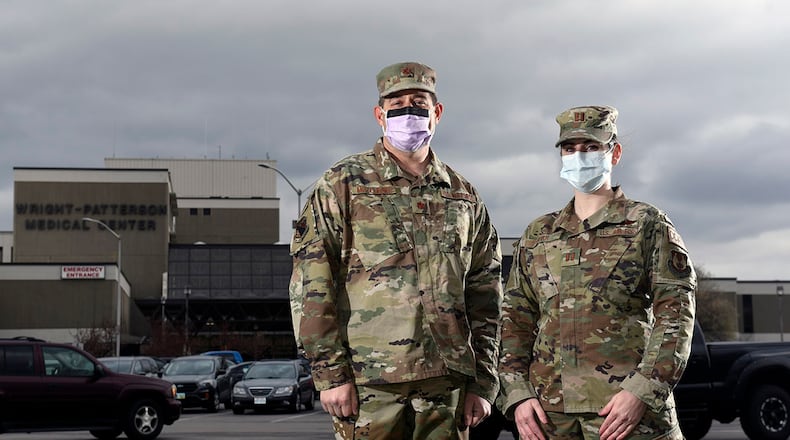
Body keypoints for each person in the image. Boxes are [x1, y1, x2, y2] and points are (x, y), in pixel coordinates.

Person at [289, 61, 503, 439]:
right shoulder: (343, 183)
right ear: (380, 115)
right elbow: (312, 282)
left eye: (419, 103)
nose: (409, 112)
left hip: (447, 384)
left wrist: (483, 382)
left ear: (437, 113)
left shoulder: (463, 195)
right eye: (398, 104)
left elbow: (485, 294)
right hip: (370, 382)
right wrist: (330, 373)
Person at [498, 105, 696, 440]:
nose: (579, 156)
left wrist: (643, 390)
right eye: (570, 148)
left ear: (614, 152)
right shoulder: (538, 234)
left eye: (591, 147)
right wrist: (517, 394)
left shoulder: (646, 224)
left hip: (625, 415)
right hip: (551, 417)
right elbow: (516, 317)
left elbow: (675, 314)